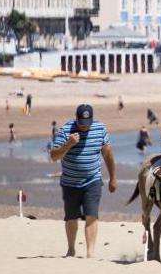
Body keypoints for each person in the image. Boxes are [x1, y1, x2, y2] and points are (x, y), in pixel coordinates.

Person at [50, 104, 117, 258]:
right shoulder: (66, 129)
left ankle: (90, 253)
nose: (85, 127)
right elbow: (54, 156)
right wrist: (68, 144)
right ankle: (71, 249)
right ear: (76, 118)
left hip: (93, 180)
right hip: (70, 182)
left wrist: (113, 177)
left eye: (87, 124)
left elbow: (107, 154)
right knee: (71, 217)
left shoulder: (100, 129)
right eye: (81, 124)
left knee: (91, 215)